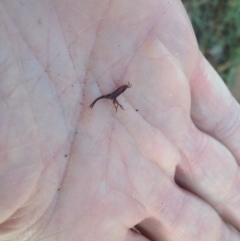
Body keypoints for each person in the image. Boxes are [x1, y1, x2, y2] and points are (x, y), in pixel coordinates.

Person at [1, 0, 240, 240]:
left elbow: (120, 90)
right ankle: (98, 103)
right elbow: (117, 91)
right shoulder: (118, 91)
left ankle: (99, 103)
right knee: (104, 98)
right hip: (108, 95)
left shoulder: (121, 89)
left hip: (110, 95)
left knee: (106, 98)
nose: (125, 87)